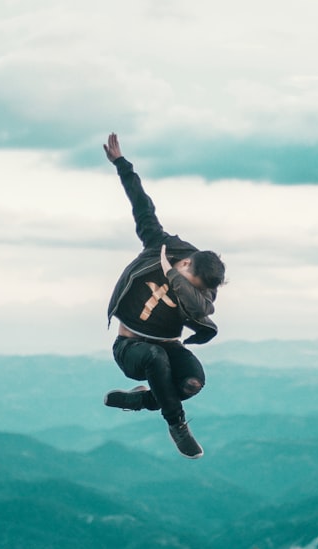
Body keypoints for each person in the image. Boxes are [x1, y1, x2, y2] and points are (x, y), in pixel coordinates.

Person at [102, 133, 226, 459]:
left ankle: (141, 400)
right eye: (190, 279)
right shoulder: (160, 244)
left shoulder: (202, 292)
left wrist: (181, 282)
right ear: (186, 262)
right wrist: (121, 164)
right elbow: (142, 205)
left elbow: (202, 306)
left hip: (170, 347)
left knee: (193, 382)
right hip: (131, 348)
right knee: (153, 360)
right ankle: (177, 425)